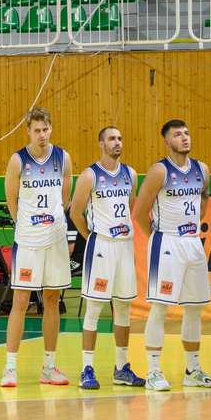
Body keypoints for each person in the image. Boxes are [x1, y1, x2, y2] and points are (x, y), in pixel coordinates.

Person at [133, 120, 211, 391]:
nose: (184, 138)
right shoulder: (159, 171)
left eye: (186, 133)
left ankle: (193, 370)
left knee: (194, 309)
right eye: (177, 135)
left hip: (192, 243)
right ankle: (154, 371)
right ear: (166, 142)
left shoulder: (202, 169)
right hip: (166, 242)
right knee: (159, 308)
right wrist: (159, 238)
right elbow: (139, 213)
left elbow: (203, 199)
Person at [0, 108, 73, 388]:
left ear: (50, 129)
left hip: (54, 238)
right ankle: (10, 367)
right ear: (28, 131)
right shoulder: (18, 160)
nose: (41, 135)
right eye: (36, 130)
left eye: (45, 130)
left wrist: (57, 217)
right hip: (29, 239)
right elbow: (11, 198)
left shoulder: (62, 157)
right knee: (21, 301)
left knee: (53, 300)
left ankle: (49, 366)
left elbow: (66, 191)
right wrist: (25, 225)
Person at [69, 127, 145, 390]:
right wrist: (91, 236)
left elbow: (132, 205)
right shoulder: (90, 175)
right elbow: (75, 212)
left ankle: (121, 368)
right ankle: (86, 369)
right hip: (101, 246)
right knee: (94, 309)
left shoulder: (131, 174)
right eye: (112, 139)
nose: (117, 143)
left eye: (120, 138)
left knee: (123, 308)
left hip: (124, 246)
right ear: (101, 143)